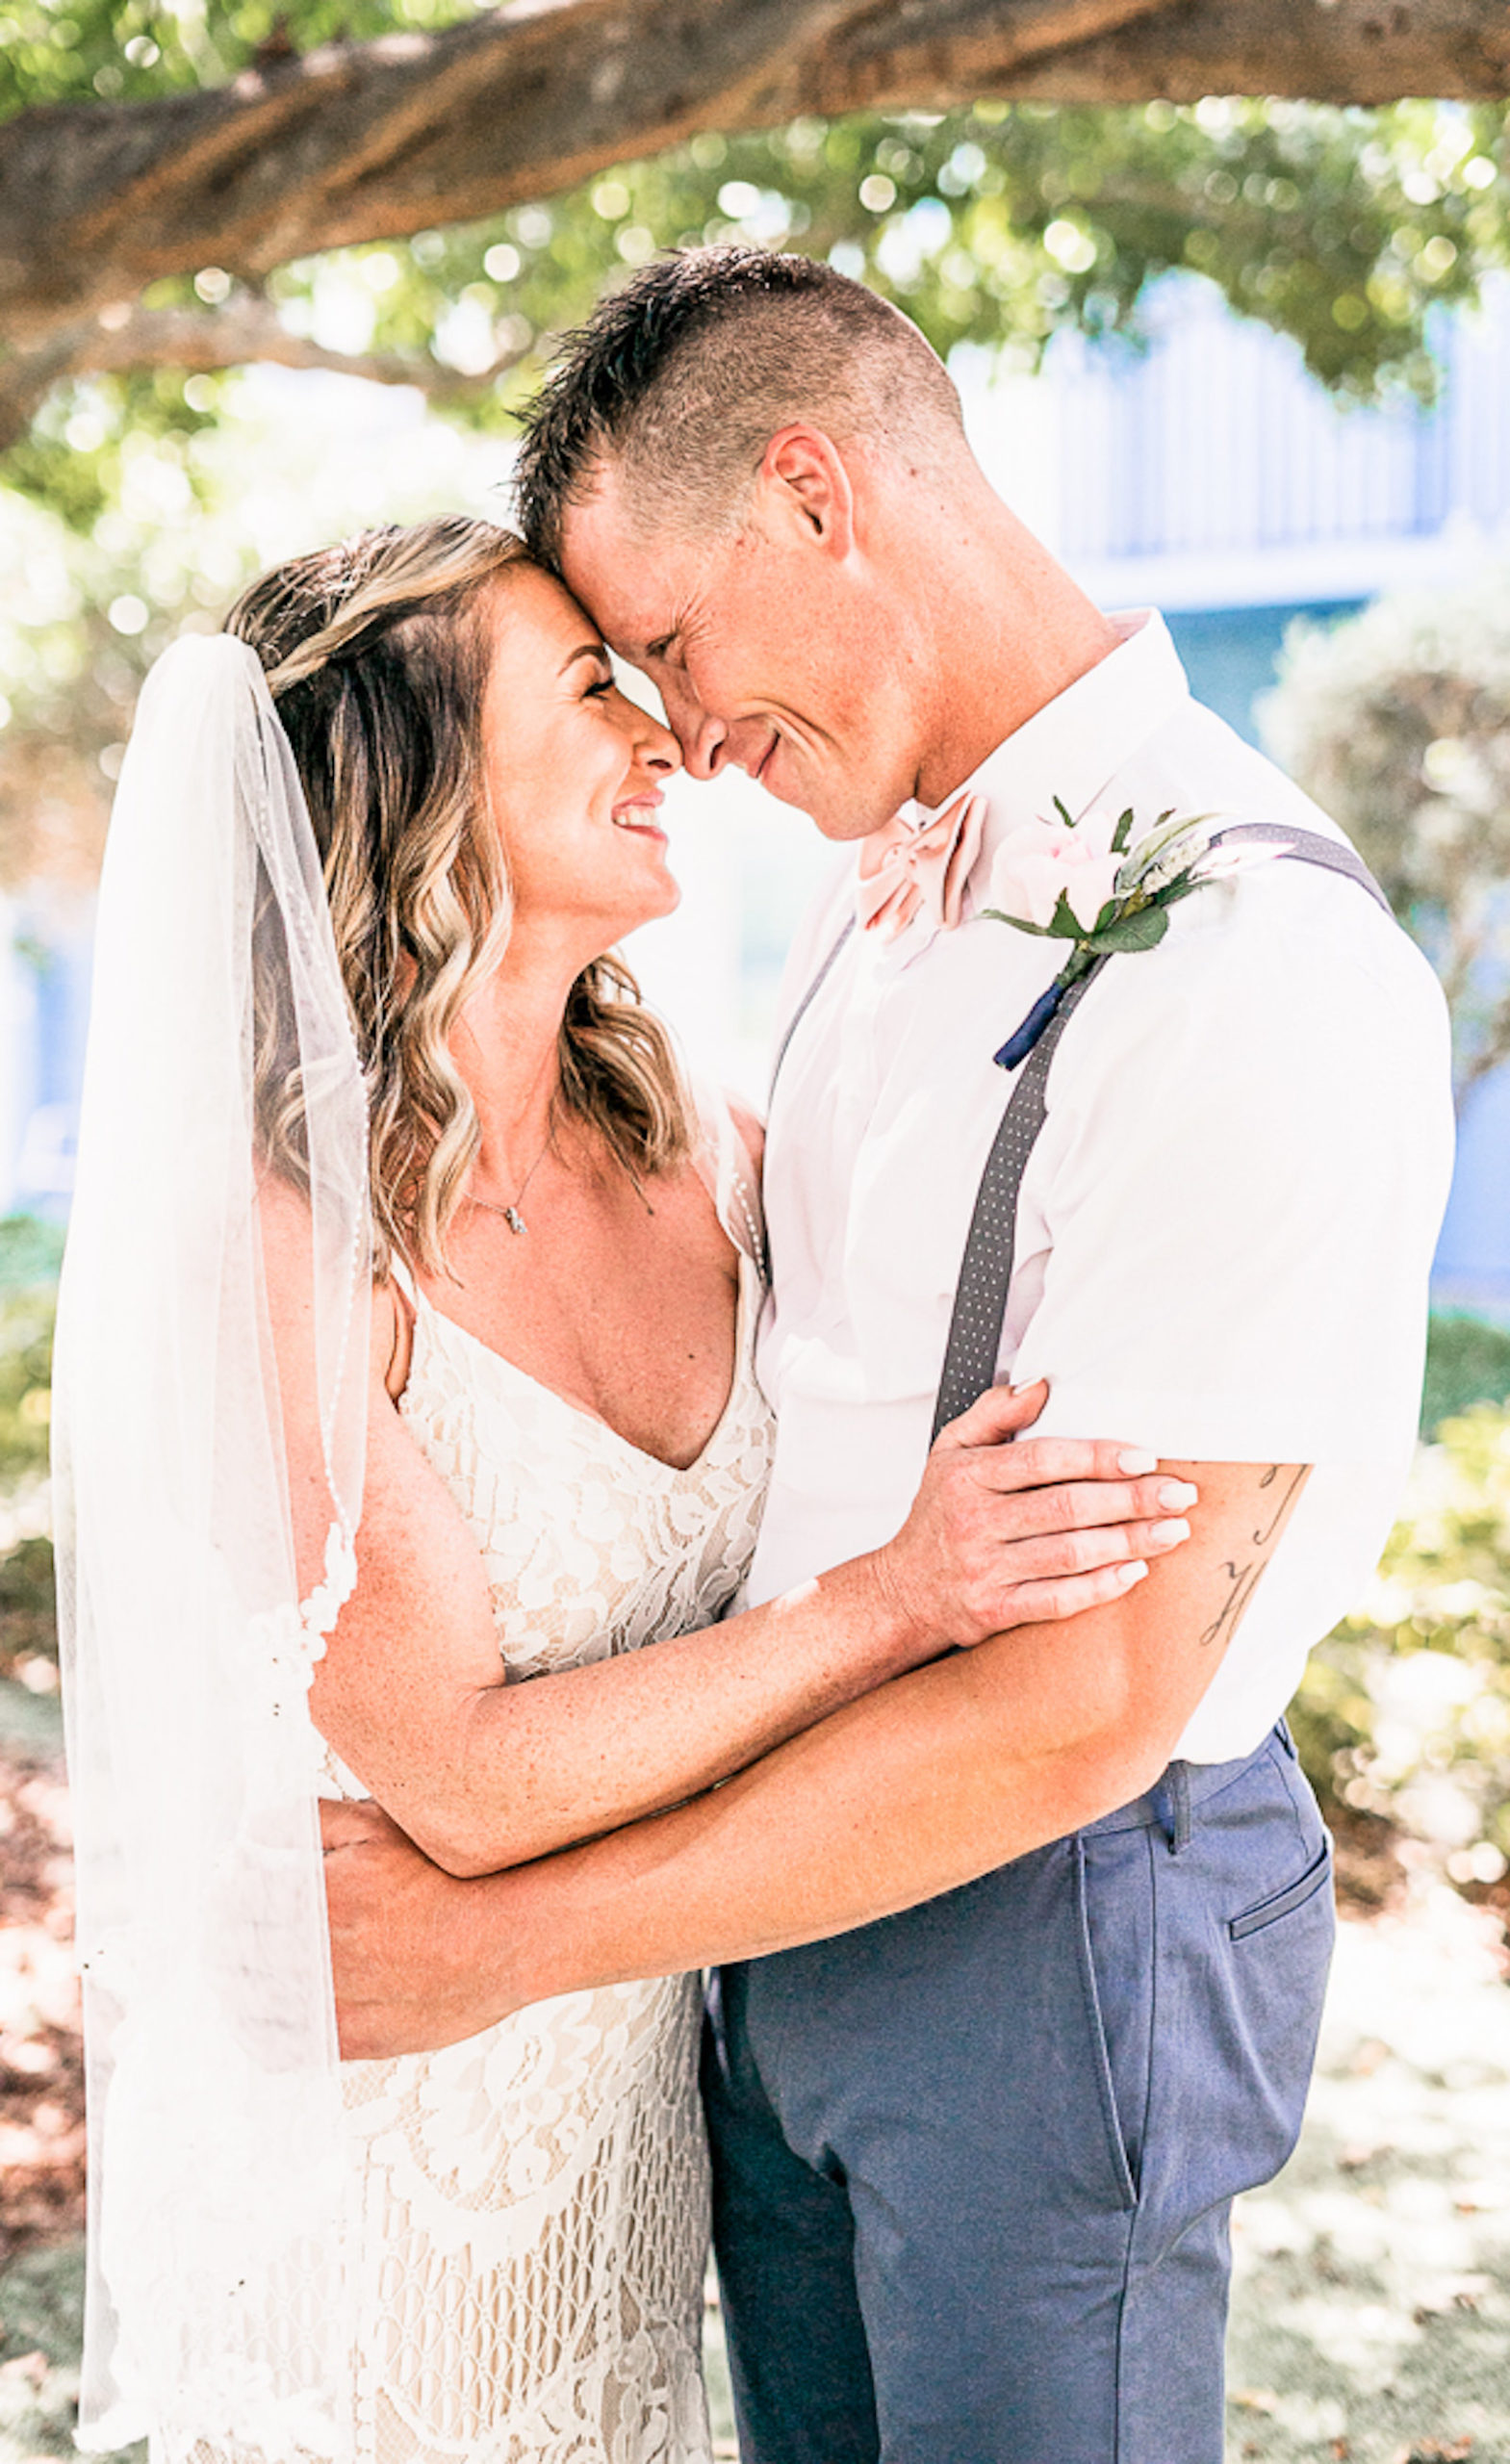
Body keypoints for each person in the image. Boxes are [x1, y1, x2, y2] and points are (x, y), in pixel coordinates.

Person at [320, 252, 1457, 2463]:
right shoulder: (865, 890)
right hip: (758, 1954)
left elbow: (1081, 1702)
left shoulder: (1259, 967)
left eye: (662, 643)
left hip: (1037, 1943)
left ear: (817, 498)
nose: (669, 726)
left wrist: (507, 1941)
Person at [56, 512, 1193, 2464]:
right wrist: (891, 1600)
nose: (664, 730)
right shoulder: (274, 1243)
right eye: (591, 684)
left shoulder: (702, 1140)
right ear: (411, 782)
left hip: (646, 2128)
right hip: (388, 2177)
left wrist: (940, 922)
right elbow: (463, 1775)